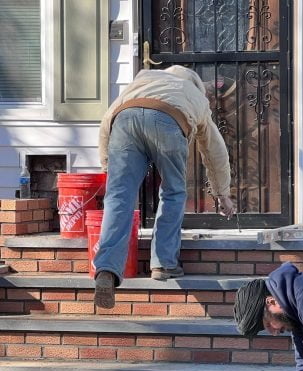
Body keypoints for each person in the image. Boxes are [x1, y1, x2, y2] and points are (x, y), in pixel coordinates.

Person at [94, 65, 235, 309]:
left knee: (119, 197)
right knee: (173, 192)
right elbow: (215, 152)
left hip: (124, 121)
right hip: (169, 120)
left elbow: (107, 120)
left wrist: (107, 163)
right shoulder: (194, 95)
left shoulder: (141, 81)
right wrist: (222, 193)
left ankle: (106, 268)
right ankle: (163, 263)